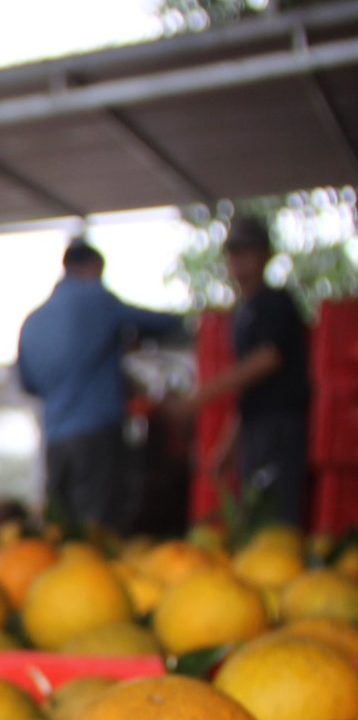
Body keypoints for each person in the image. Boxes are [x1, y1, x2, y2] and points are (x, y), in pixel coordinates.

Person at [17, 240, 184, 533]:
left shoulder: (32, 322)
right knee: (98, 531)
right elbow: (156, 323)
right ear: (93, 267)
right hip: (96, 435)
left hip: (55, 439)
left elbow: (28, 384)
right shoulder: (96, 299)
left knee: (60, 530)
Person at [172, 217, 312, 526]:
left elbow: (269, 358)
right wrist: (227, 445)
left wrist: (202, 396)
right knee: (255, 517)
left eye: (248, 251)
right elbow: (248, 394)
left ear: (265, 255)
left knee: (277, 516)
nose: (239, 260)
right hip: (255, 428)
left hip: (279, 426)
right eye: (234, 253)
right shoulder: (243, 312)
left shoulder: (276, 302)